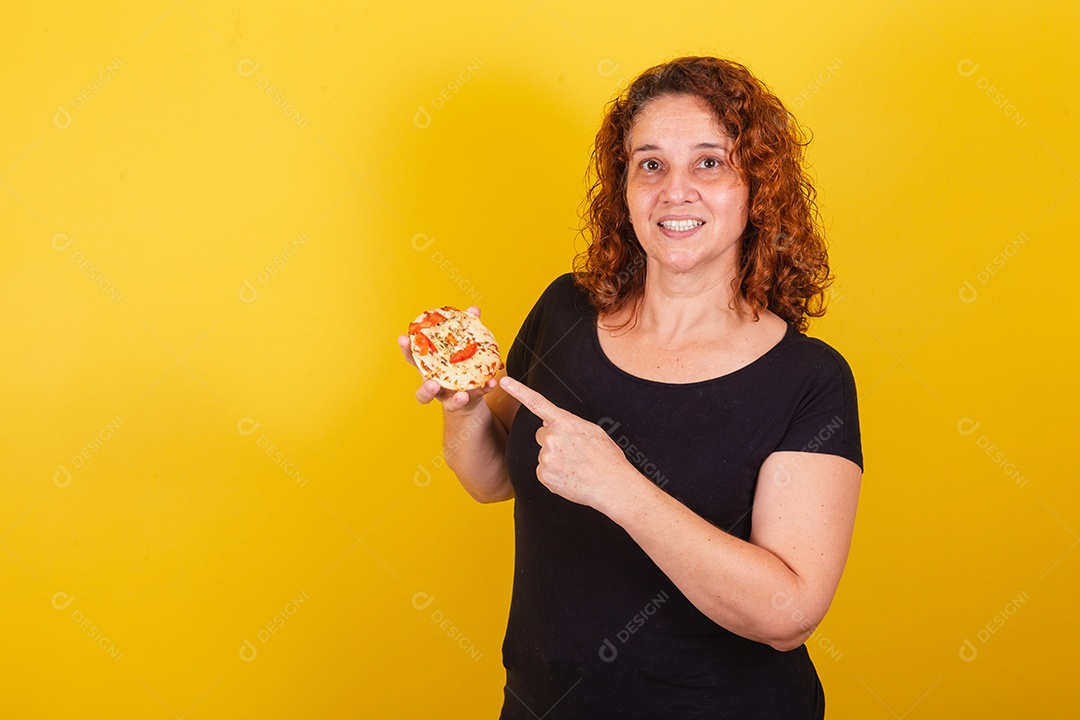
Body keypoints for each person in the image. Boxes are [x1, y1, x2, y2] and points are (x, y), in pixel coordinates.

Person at [398, 56, 863, 720]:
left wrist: (620, 489)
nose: (676, 190)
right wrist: (464, 406)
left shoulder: (808, 380)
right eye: (650, 164)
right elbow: (493, 479)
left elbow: (787, 614)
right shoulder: (564, 311)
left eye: (709, 162)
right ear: (623, 186)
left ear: (756, 187)